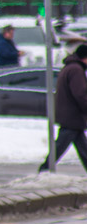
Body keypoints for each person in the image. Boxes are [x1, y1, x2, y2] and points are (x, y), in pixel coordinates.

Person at [42, 43, 87, 171]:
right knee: (60, 147)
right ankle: (44, 169)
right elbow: (80, 94)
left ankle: (45, 169)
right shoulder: (76, 70)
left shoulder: (70, 67)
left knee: (82, 148)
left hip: (72, 116)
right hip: (72, 116)